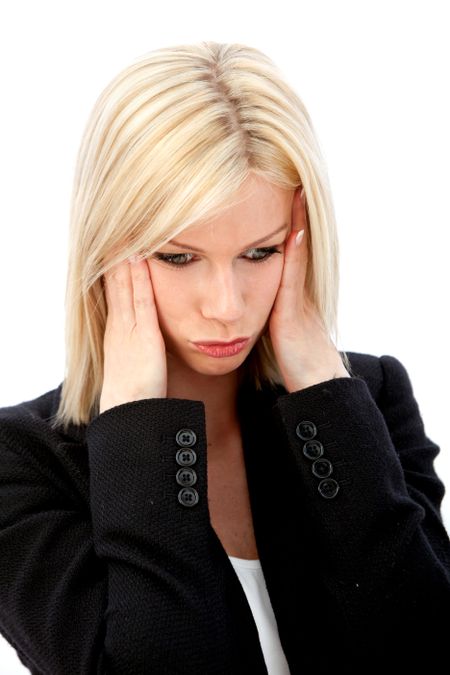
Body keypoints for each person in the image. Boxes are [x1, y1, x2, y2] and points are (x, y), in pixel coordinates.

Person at [0, 41, 449, 675]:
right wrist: (138, 431)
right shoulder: (21, 463)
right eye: (178, 257)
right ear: (106, 253)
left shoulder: (367, 399)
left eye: (261, 253)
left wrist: (324, 389)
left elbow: (426, 649)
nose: (226, 306)